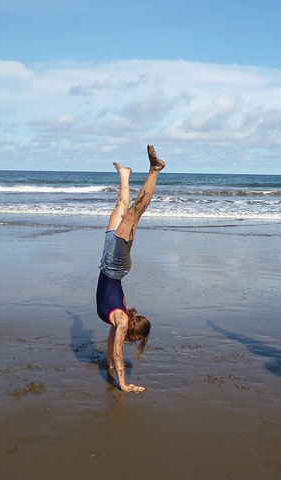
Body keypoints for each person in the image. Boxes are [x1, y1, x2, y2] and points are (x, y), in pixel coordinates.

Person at [95, 144, 165, 393]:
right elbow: (117, 350)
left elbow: (112, 345)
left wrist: (111, 366)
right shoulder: (122, 320)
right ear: (135, 333)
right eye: (138, 340)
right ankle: (155, 170)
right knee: (134, 212)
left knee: (121, 207)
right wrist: (123, 384)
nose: (134, 343)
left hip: (108, 261)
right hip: (114, 265)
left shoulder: (119, 322)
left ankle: (125, 174)